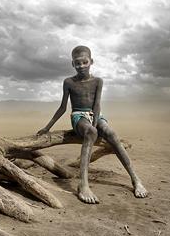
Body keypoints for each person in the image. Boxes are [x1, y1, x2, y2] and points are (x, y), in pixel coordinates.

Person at [37, 45, 148, 204]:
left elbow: (97, 105)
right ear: (72, 64)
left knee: (111, 133)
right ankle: (83, 184)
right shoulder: (68, 82)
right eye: (77, 63)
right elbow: (63, 107)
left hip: (95, 114)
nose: (81, 66)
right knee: (90, 132)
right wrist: (47, 128)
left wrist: (96, 123)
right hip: (78, 116)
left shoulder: (98, 81)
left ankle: (136, 180)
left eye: (84, 62)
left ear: (91, 61)